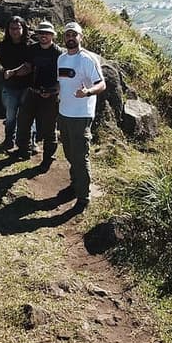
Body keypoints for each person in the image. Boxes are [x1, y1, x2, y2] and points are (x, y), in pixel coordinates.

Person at [55, 22, 105, 208]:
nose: (70, 38)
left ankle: (83, 197)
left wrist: (88, 92)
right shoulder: (61, 59)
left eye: (74, 35)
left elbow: (101, 84)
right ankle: (75, 183)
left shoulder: (87, 59)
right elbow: (61, 83)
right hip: (64, 113)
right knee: (69, 152)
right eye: (67, 35)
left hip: (81, 115)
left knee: (80, 155)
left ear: (80, 37)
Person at [16, 21, 63, 165]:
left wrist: (53, 91)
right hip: (32, 92)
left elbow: (63, 77)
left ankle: (48, 159)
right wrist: (14, 73)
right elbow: (28, 66)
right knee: (24, 122)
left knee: (49, 128)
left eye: (47, 33)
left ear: (52, 35)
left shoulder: (59, 53)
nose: (44, 35)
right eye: (41, 33)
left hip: (51, 95)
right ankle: (24, 151)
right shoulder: (33, 49)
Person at [0, 15, 33, 152]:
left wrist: (12, 72)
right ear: (8, 30)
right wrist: (17, 70)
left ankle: (30, 143)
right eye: (12, 28)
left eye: (18, 28)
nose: (15, 31)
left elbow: (28, 67)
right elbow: (5, 66)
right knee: (10, 115)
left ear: (23, 28)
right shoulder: (3, 46)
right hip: (10, 87)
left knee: (28, 116)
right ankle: (8, 140)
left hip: (27, 87)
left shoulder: (30, 46)